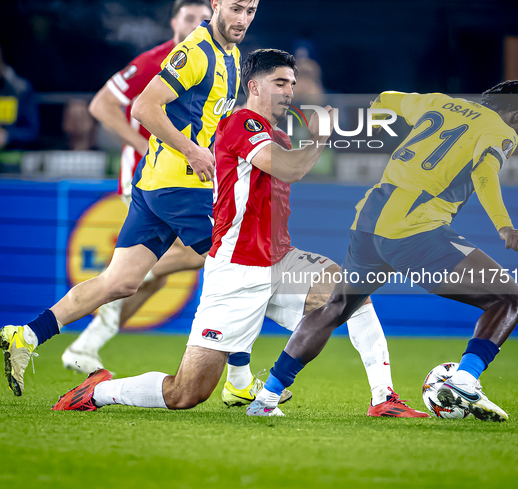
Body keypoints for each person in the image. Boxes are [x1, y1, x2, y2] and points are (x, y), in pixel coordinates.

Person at [51, 48, 428, 417]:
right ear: (254, 86)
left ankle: (383, 398)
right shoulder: (240, 124)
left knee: (352, 294)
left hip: (278, 260)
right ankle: (98, 391)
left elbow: (288, 167)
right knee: (187, 392)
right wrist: (319, 138)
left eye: (292, 84)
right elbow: (290, 169)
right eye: (279, 82)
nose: (289, 92)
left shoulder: (276, 136)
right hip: (237, 269)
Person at [0, 0, 263, 398]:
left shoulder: (233, 53)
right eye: (235, 8)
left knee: (119, 283)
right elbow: (142, 106)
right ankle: (240, 380)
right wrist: (193, 152)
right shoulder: (195, 51)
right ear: (215, 5)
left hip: (158, 186)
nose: (243, 17)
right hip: (181, 187)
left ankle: (25, 335)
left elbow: (211, 121)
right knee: (238, 264)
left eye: (250, 10)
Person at [248, 81, 518, 422]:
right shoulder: (501, 131)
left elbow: (384, 100)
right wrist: (504, 225)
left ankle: (267, 397)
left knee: (337, 307)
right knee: (511, 300)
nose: (517, 136)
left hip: (369, 220)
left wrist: (371, 121)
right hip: (414, 227)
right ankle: (464, 380)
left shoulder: (438, 102)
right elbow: (484, 172)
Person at [62, 0, 212, 374]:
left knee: (160, 273)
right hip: (147, 178)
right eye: (189, 17)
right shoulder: (156, 61)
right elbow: (101, 106)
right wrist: (145, 144)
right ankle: (89, 329)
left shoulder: (208, 61)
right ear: (173, 23)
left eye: (202, 18)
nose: (196, 24)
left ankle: (85, 344)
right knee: (198, 254)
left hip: (175, 179)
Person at [0, 41, 39, 171]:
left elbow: (32, 132)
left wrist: (8, 136)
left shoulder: (19, 90)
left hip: (8, 169)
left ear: (0, 67)